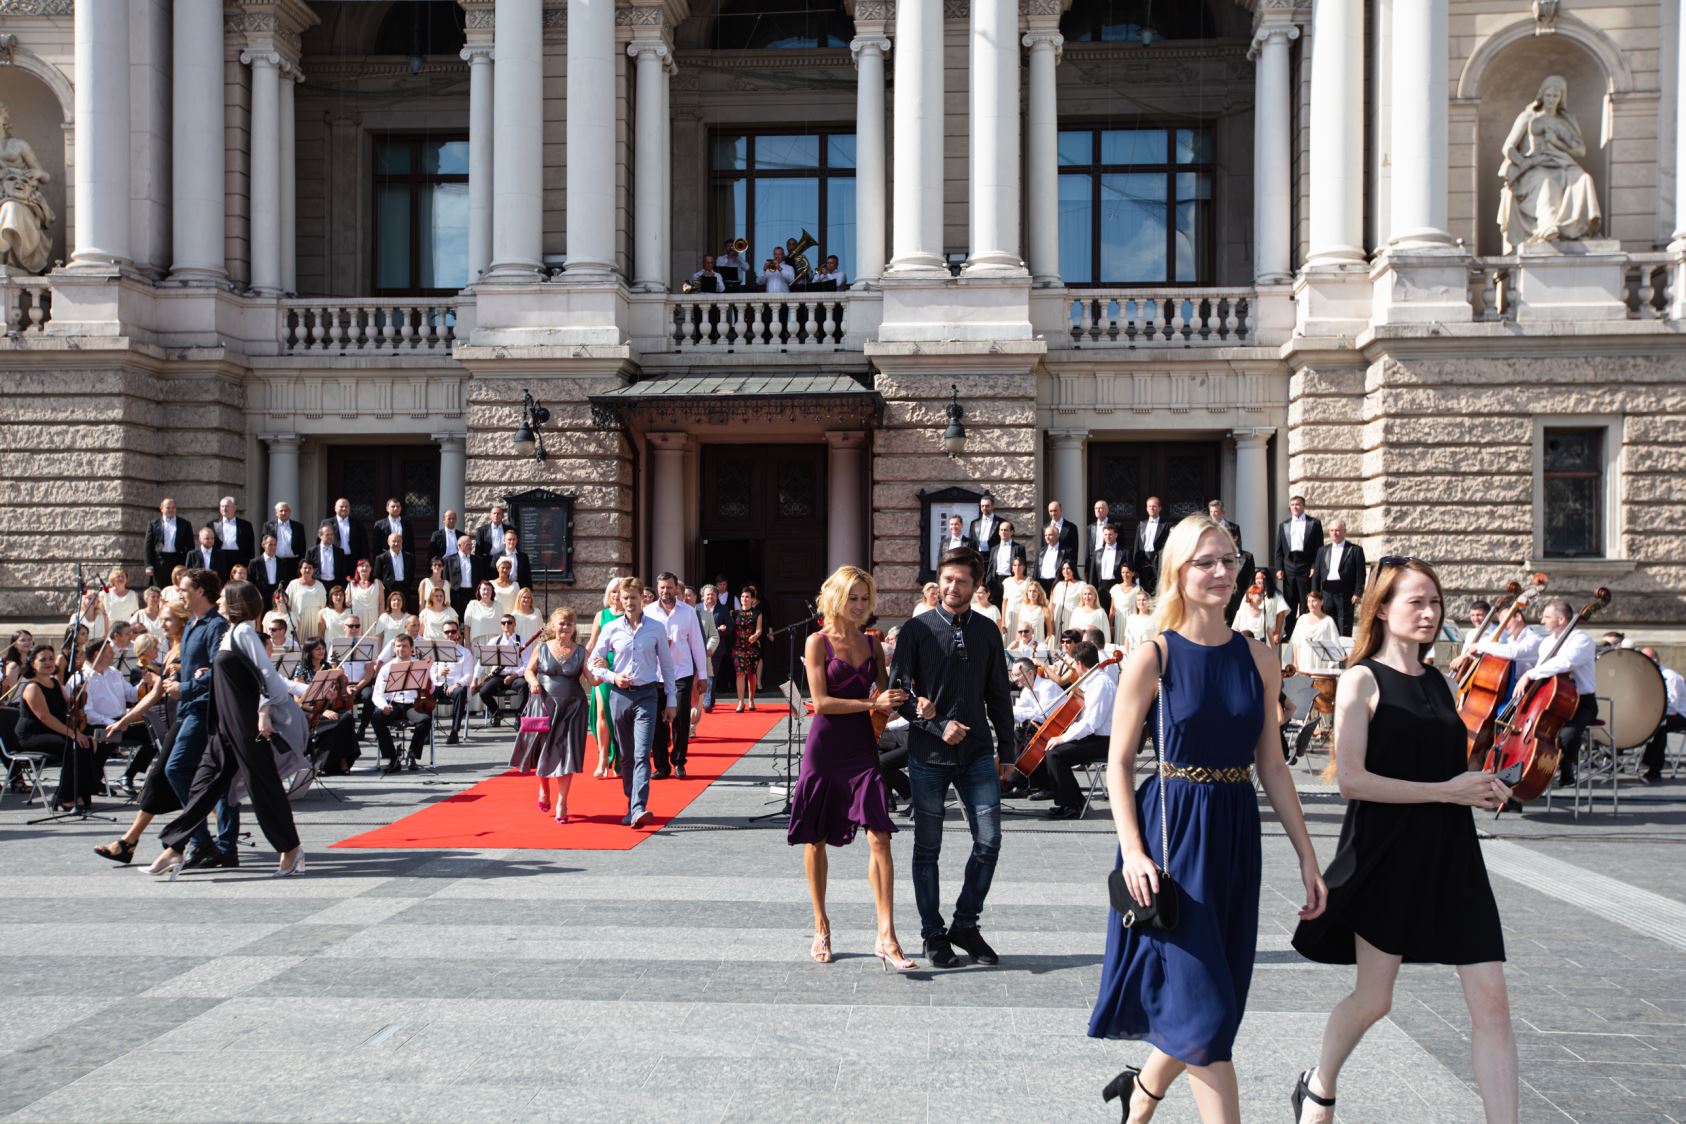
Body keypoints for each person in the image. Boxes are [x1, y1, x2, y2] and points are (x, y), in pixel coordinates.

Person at [1091, 515, 1325, 1122]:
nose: (1222, 572)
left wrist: (1307, 855)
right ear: (1178, 572)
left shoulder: (1261, 658)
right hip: (1172, 838)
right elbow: (1119, 764)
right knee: (1206, 1012)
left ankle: (1140, 1093)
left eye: (1229, 560)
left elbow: (1272, 765)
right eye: (1207, 562)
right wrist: (1133, 850)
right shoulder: (1154, 656)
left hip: (1235, 835)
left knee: (1216, 997)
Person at [1291, 558, 1516, 1124]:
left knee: (1492, 1004)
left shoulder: (1440, 680)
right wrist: (1447, 791)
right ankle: (1318, 1085)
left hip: (1453, 854)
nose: (1429, 612)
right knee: (1375, 1000)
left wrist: (1482, 784)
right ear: (1382, 610)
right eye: (1416, 601)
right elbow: (1351, 781)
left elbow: (1444, 768)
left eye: (1435, 602)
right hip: (1387, 855)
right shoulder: (1361, 679)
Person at [889, 547, 1015, 969]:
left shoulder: (987, 630)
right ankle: (933, 933)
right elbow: (899, 696)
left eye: (961, 581)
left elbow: (999, 694)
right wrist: (938, 724)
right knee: (928, 848)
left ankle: (965, 924)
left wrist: (1008, 750)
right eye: (947, 579)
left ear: (976, 586)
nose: (952, 587)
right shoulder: (916, 630)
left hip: (977, 753)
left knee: (990, 840)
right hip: (928, 755)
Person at [787, 565, 916, 969]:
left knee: (881, 836)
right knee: (816, 838)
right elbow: (820, 703)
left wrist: (911, 700)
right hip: (825, 747)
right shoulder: (817, 642)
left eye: (864, 598)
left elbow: (886, 698)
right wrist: (871, 704)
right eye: (852, 598)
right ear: (835, 599)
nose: (859, 605)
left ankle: (886, 935)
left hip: (862, 747)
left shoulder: (873, 644)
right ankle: (821, 925)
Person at [150, 579, 307, 879]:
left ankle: (291, 849)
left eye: (223, 596)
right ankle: (175, 847)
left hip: (245, 725)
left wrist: (265, 710)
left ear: (236, 601)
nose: (219, 599)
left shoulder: (245, 631)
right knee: (203, 784)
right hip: (223, 725)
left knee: (264, 787)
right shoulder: (232, 632)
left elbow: (268, 677)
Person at [162, 568, 240, 870]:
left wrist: (185, 687)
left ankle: (204, 840)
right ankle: (220, 845)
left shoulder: (216, 625)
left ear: (200, 591)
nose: (180, 593)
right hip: (189, 709)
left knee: (178, 768)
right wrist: (178, 675)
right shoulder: (193, 623)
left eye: (184, 589)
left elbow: (216, 670)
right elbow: (195, 666)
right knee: (214, 777)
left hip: (205, 711)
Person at [588, 576, 679, 829]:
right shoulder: (611, 628)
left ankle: (638, 807)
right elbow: (592, 663)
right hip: (619, 696)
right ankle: (631, 804)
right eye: (625, 598)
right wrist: (613, 676)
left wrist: (671, 700)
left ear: (642, 599)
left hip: (647, 695)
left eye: (633, 598)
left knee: (641, 754)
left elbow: (667, 667)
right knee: (627, 755)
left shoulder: (656, 628)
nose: (629, 602)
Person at [1498, 74, 1602, 252]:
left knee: (1583, 179)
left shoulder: (1566, 121)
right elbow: (1508, 147)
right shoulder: (1528, 117)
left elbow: (1580, 151)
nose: (1551, 99)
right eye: (1548, 95)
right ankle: (1549, 226)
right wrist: (1522, 162)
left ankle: (1576, 229)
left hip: (1562, 164)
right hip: (1535, 166)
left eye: (1555, 96)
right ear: (1541, 95)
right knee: (1546, 182)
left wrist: (1556, 142)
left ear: (1561, 98)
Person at [511, 607, 590, 822]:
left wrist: (604, 667)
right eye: (562, 623)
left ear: (574, 627)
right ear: (554, 626)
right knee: (543, 751)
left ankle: (562, 802)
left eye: (569, 623)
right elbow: (529, 670)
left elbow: (593, 680)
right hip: (545, 705)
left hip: (573, 708)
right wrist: (533, 682)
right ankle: (544, 788)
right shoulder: (542, 647)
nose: (565, 627)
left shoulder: (581, 651)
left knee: (567, 754)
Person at [1514, 598, 1597, 787]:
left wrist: (1529, 674)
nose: (1542, 621)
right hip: (1551, 700)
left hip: (1581, 703)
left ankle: (1564, 769)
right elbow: (1543, 670)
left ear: (1561, 619)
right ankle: (1527, 775)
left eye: (1547, 617)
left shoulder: (1581, 640)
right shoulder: (1546, 643)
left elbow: (1565, 663)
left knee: (1565, 738)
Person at [15, 646, 105, 811]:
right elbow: (45, 717)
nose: (48, 662)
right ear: (32, 664)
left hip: (51, 731)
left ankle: (81, 793)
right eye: (43, 660)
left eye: (51, 658)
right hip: (32, 735)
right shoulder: (32, 687)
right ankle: (64, 797)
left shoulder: (55, 683)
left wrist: (80, 695)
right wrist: (73, 734)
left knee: (87, 742)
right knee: (74, 745)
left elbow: (69, 706)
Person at [1040, 641, 1117, 820]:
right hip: (1097, 737)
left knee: (1055, 755)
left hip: (1105, 741)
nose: (1074, 667)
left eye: (1074, 663)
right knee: (1054, 751)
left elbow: (1091, 723)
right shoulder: (1094, 681)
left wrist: (1062, 738)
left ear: (1080, 664)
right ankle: (1074, 801)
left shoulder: (1100, 684)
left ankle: (1071, 805)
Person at [648, 573, 710, 780]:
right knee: (658, 722)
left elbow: (697, 644)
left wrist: (702, 676)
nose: (665, 591)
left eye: (669, 587)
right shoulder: (648, 611)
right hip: (656, 674)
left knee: (681, 719)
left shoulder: (688, 612)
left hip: (681, 672)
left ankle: (679, 762)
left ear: (676, 588)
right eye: (662, 587)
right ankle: (661, 766)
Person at [289, 638, 359, 776]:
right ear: (309, 651)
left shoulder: (327, 667)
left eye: (323, 648)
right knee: (337, 722)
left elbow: (334, 691)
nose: (322, 651)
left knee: (347, 718)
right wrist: (323, 711)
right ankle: (325, 763)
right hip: (309, 712)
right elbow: (299, 701)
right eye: (317, 649)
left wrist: (340, 691)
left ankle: (342, 760)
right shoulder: (301, 669)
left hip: (327, 708)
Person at [370, 632, 432, 772]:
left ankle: (412, 755)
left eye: (404, 646)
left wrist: (428, 675)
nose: (401, 649)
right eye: (398, 646)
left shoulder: (419, 666)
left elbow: (431, 689)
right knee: (376, 718)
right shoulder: (386, 668)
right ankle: (393, 758)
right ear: (394, 648)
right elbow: (377, 694)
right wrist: (384, 706)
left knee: (425, 720)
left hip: (412, 705)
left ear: (411, 648)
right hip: (394, 706)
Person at [585, 580, 624, 777]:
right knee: (601, 713)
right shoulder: (601, 615)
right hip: (601, 666)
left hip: (621, 667)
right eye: (613, 592)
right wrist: (582, 663)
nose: (616, 596)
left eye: (619, 592)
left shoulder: (629, 615)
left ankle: (620, 757)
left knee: (618, 716)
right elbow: (592, 643)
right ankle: (602, 758)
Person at [1275, 495, 1324, 637]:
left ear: (1303, 506)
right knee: (1289, 600)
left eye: (1297, 504)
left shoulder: (1314, 523)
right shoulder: (1284, 525)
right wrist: (1279, 568)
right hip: (1289, 565)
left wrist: (1314, 566)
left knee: (1305, 600)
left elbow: (1319, 548)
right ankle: (1290, 633)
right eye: (1292, 505)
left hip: (1306, 565)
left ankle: (1305, 632)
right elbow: (1279, 549)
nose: (1295, 507)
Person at [1311, 519, 1366, 636]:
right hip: (1326, 592)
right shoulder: (1322, 550)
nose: (1334, 533)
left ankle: (1343, 648)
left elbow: (1361, 574)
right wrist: (1314, 594)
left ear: (1344, 531)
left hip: (1345, 593)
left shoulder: (1355, 550)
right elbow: (1317, 574)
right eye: (1331, 530)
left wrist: (1358, 593)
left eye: (1337, 530)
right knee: (1327, 624)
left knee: (1344, 625)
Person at [1640, 647, 1684, 785]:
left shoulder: (1671, 677)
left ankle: (1654, 770)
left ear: (1657, 660)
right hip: (1657, 713)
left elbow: (1672, 706)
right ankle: (1615, 760)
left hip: (1680, 715)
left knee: (1659, 726)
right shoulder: (1645, 677)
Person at [432, 620, 476, 745]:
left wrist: (456, 685)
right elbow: (430, 674)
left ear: (457, 633)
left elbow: (469, 675)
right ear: (443, 634)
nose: (450, 634)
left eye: (453, 631)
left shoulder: (465, 652)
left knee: (460, 692)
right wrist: (439, 674)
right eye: (447, 632)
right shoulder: (435, 651)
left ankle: (454, 732)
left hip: (456, 686)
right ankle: (426, 732)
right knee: (425, 691)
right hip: (439, 684)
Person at [1289, 589, 1345, 672]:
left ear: (1321, 602)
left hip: (1320, 662)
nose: (1311, 604)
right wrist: (1295, 662)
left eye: (1314, 601)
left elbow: (1335, 642)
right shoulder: (1301, 619)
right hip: (1304, 660)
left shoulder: (1328, 621)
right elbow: (1295, 643)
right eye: (1309, 601)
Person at [145, 498, 194, 587]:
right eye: (168, 508)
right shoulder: (153, 524)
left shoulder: (185, 524)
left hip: (178, 560)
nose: (171, 510)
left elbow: (190, 546)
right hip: (160, 561)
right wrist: (148, 565)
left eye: (173, 508)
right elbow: (148, 546)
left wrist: (188, 565)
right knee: (160, 588)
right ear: (161, 508)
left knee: (178, 586)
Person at [732, 585, 766, 711]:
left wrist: (755, 636)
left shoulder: (757, 613)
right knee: (739, 674)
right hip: (738, 647)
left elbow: (759, 629)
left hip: (752, 647)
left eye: (747, 597)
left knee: (752, 674)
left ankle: (751, 700)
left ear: (752, 599)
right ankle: (741, 702)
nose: (744, 599)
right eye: (742, 596)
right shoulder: (735, 613)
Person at [206, 496, 256, 580]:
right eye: (222, 506)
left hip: (238, 558)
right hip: (219, 557)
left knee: (237, 583)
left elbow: (250, 546)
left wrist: (248, 564)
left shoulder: (246, 525)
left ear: (235, 508)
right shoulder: (211, 524)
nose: (224, 509)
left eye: (227, 506)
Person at [699, 584, 729, 710]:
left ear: (717, 596)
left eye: (713, 594)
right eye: (708, 594)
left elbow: (730, 625)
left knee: (711, 674)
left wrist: (724, 628)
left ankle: (707, 702)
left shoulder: (723, 609)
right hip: (698, 646)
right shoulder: (696, 609)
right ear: (703, 596)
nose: (710, 596)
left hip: (716, 647)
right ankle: (705, 700)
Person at [262, 501, 307, 584]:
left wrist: (301, 563)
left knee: (293, 586)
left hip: (293, 562)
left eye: (286, 510)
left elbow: (302, 546)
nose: (284, 513)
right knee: (277, 585)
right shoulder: (268, 525)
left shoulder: (298, 526)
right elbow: (263, 545)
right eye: (281, 511)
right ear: (276, 513)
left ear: (290, 512)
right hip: (275, 561)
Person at [374, 532, 416, 613]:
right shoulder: (381, 558)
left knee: (405, 613)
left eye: (398, 541)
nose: (396, 543)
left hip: (404, 589)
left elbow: (411, 573)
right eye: (394, 541)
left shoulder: (409, 557)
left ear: (402, 542)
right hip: (388, 590)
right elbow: (377, 576)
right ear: (388, 542)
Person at [1133, 496, 1169, 588]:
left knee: (1158, 588)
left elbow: (1167, 546)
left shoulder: (1166, 525)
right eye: (1149, 506)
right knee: (1144, 589)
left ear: (1159, 508)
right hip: (1143, 561)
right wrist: (1135, 565)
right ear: (1146, 508)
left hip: (1158, 561)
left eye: (1154, 506)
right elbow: (1137, 545)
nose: (1151, 508)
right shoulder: (1141, 525)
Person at [320, 497, 368, 565]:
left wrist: (364, 560)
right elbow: (320, 542)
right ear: (335, 508)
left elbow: (363, 544)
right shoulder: (326, 523)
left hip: (352, 560)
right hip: (333, 559)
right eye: (341, 506)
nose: (344, 508)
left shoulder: (357, 524)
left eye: (346, 506)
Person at [1089, 521, 1126, 607]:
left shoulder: (1124, 552)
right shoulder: (1097, 553)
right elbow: (1093, 575)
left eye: (1110, 534)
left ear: (1116, 535)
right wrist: (1091, 591)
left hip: (1118, 588)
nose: (1108, 537)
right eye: (1105, 534)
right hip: (1101, 588)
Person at [1109, 563, 1146, 647]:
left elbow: (1140, 608)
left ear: (1133, 573)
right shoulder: (1115, 588)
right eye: (1123, 572)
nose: (1125, 575)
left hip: (1132, 622)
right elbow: (1112, 609)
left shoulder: (1138, 589)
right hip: (1119, 622)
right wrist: (1110, 625)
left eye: (1127, 572)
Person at [444, 533, 480, 616]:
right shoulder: (449, 560)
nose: (470, 547)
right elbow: (446, 578)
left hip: (472, 593)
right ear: (459, 546)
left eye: (471, 544)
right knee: (456, 617)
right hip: (456, 593)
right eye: (468, 545)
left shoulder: (477, 560)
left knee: (471, 616)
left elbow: (480, 577)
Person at [345, 558, 384, 634]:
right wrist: (348, 601)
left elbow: (381, 603)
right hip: (357, 618)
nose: (364, 568)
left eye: (367, 566)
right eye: (362, 566)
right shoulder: (351, 584)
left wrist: (381, 620)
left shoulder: (378, 583)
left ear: (371, 569)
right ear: (357, 569)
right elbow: (347, 604)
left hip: (373, 617)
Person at [1035, 523, 1073, 600]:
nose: (1047, 537)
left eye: (1050, 535)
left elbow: (1070, 570)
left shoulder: (1067, 551)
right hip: (1041, 584)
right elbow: (1036, 571)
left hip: (1058, 583)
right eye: (1045, 535)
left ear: (1057, 535)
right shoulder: (1040, 552)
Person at [1050, 559, 1085, 637]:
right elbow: (1052, 606)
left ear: (1073, 569)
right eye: (1063, 569)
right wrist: (1051, 623)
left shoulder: (1081, 585)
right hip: (1058, 620)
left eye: (1068, 568)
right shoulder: (1058, 585)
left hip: (1073, 619)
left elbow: (1084, 605)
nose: (1065, 571)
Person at [462, 580, 502, 645]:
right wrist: (467, 645)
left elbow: (503, 625)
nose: (486, 592)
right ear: (479, 591)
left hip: (495, 644)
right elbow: (467, 627)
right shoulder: (472, 605)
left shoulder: (498, 605)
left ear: (492, 591)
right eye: (484, 589)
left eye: (488, 589)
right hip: (477, 644)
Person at [370, 496, 408, 561]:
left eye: (398, 506)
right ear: (387, 508)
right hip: (386, 559)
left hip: (403, 558)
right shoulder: (379, 524)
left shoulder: (407, 524)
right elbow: (376, 546)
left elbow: (410, 544)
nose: (396, 508)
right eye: (393, 506)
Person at [1017, 579, 1051, 648]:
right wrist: (1017, 643)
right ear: (1027, 593)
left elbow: (1050, 631)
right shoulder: (1022, 607)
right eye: (1030, 591)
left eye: (1034, 591)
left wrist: (1044, 644)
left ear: (1039, 593)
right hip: (1023, 645)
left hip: (1039, 646)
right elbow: (1019, 629)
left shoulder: (1044, 609)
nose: (1032, 593)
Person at [1122, 590, 1157, 654]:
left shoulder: (1153, 619)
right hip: (1133, 654)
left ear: (1148, 601)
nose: (1141, 602)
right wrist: (1128, 655)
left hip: (1147, 653)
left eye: (1144, 600)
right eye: (1139, 600)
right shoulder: (1131, 618)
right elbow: (1127, 640)